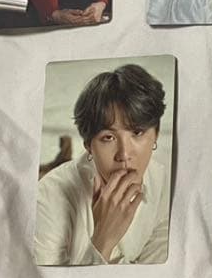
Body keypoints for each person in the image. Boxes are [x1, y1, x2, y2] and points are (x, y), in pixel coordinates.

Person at [34, 64, 170, 265]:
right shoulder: (49, 197)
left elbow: (156, 277)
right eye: (108, 137)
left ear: (156, 135)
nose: (124, 154)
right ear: (88, 145)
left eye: (137, 132)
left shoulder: (166, 185)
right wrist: (102, 239)